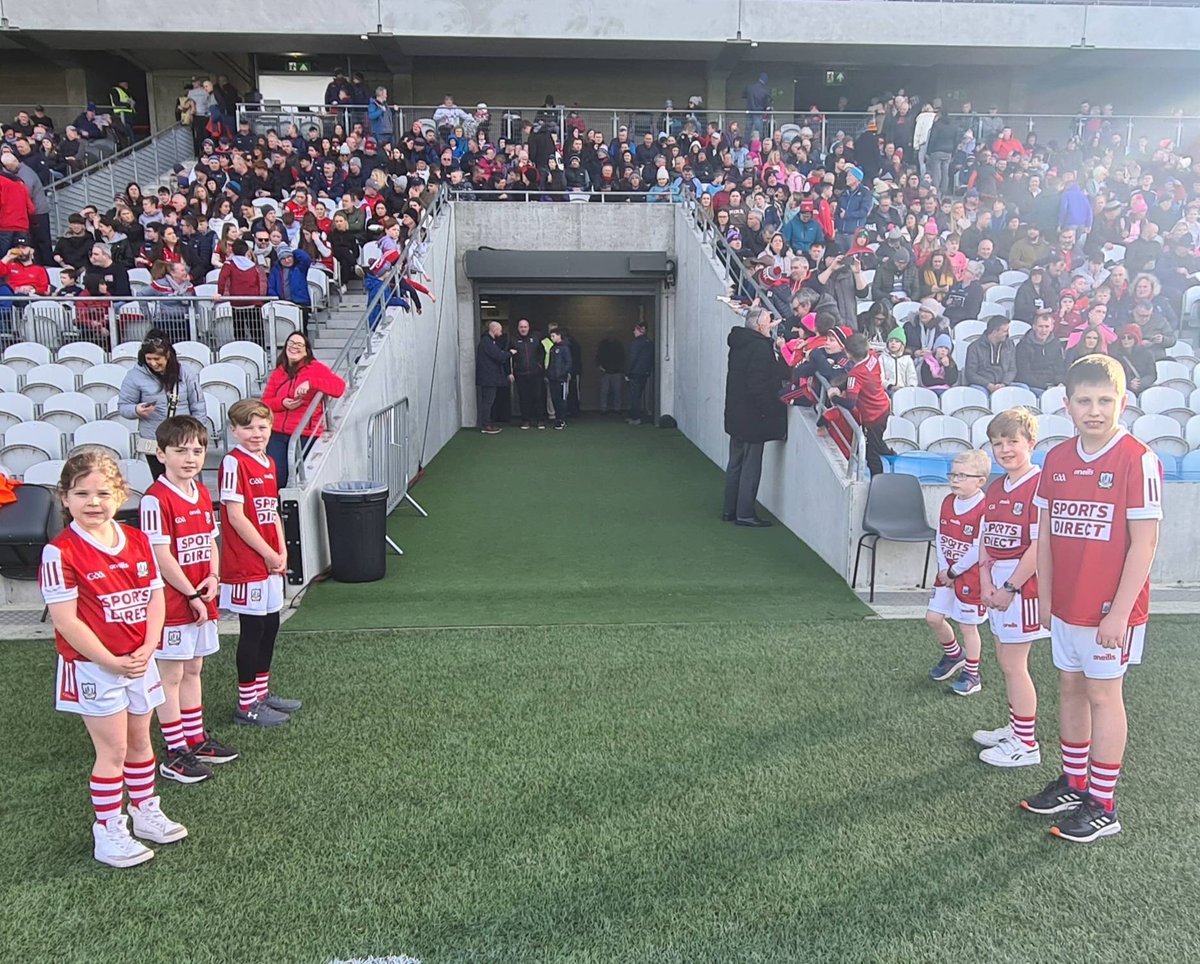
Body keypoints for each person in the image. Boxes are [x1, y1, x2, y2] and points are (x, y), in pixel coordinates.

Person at [1020, 355, 1162, 843]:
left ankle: (1104, 803)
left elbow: (1144, 542)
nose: (1095, 410)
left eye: (1105, 401)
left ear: (1122, 402)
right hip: (1067, 606)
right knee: (1070, 688)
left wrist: (1120, 612)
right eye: (1085, 401)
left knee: (1104, 695)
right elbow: (1045, 535)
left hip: (1110, 612)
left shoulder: (1137, 458)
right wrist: (1048, 597)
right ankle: (1074, 783)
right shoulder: (1056, 459)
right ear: (1067, 405)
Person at [39, 449, 188, 868]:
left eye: (103, 493)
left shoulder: (138, 540)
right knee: (114, 750)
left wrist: (148, 644)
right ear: (64, 498)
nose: (93, 502)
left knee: (141, 740)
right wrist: (109, 659)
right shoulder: (60, 552)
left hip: (139, 661)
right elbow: (67, 622)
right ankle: (108, 830)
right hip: (94, 666)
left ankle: (145, 811)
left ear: (120, 495)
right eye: (81, 493)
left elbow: (155, 597)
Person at [140, 416, 238, 785]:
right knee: (172, 673)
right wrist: (192, 593)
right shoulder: (155, 499)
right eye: (180, 451)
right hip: (173, 601)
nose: (190, 458)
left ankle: (195, 738)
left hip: (202, 594)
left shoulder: (201, 491)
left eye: (197, 451)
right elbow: (161, 557)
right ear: (162, 454)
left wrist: (213, 577)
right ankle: (175, 749)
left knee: (194, 668)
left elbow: (211, 541)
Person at [974, 409, 1049, 768]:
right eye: (997, 443)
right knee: (1006, 661)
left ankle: (1026, 744)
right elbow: (985, 539)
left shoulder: (1039, 485)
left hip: (1024, 587)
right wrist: (986, 581)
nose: (1004, 449)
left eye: (1013, 441)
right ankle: (1015, 728)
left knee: (1014, 663)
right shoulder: (995, 486)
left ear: (1031, 443)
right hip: (999, 582)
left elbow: (1039, 547)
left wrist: (1009, 587)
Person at [220, 398, 298, 727]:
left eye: (262, 427)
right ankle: (246, 704)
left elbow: (272, 512)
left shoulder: (268, 462)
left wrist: (280, 550)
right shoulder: (233, 463)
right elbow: (236, 517)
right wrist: (266, 553)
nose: (256, 433)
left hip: (269, 560)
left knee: (270, 624)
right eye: (248, 427)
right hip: (247, 561)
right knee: (252, 629)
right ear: (234, 431)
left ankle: (261, 693)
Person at [927, 448, 991, 696]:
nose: (955, 480)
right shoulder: (947, 501)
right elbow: (941, 536)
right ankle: (954, 655)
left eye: (962, 476)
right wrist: (944, 569)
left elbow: (978, 548)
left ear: (980, 481)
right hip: (947, 573)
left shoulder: (985, 507)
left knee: (968, 626)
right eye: (952, 474)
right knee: (933, 618)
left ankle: (972, 674)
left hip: (970, 577)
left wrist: (954, 572)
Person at [722, 306, 790, 527]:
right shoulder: (760, 348)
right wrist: (770, 408)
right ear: (761, 325)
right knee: (751, 466)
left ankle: (729, 510)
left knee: (735, 463)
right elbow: (758, 384)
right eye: (769, 321)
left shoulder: (739, 343)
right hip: (753, 416)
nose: (772, 325)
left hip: (736, 413)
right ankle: (745, 514)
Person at [117, 331, 206, 480]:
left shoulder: (185, 373)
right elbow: (123, 406)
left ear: (168, 356)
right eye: (149, 359)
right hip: (153, 439)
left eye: (157, 359)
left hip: (183, 437)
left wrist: (198, 432)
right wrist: (136, 410)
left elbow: (198, 404)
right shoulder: (134, 376)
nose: (153, 363)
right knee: (161, 480)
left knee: (184, 478)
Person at [262, 332, 347, 488]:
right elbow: (265, 403)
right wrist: (282, 403)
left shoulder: (316, 368)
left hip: (305, 434)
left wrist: (311, 383)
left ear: (306, 350)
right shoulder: (278, 372)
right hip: (277, 433)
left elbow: (339, 387)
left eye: (299, 345)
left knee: (304, 480)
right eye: (291, 343)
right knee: (277, 478)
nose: (294, 347)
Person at [829, 334, 894, 476]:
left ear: (848, 353)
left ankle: (878, 480)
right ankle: (890, 453)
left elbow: (851, 402)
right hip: (883, 406)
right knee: (877, 439)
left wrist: (835, 397)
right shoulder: (872, 357)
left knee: (871, 454)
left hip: (873, 416)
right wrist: (841, 388)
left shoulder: (855, 374)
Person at [1014, 311, 1066, 395]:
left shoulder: (1056, 344)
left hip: (1053, 385)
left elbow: (1059, 368)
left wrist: (1059, 382)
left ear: (1052, 327)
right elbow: (1023, 374)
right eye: (1040, 326)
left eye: (1046, 326)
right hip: (1033, 387)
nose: (1043, 330)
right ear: (1034, 327)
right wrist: (1044, 386)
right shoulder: (1023, 346)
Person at [266, 245, 312, 334]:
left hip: (300, 303)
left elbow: (306, 258)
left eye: (289, 257)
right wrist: (277, 300)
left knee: (302, 329)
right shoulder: (275, 270)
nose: (287, 260)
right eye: (283, 258)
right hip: (283, 303)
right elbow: (271, 287)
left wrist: (293, 251)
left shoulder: (300, 268)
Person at [964, 314, 1017, 393]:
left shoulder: (1009, 345)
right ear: (995, 332)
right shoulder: (974, 347)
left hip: (1004, 384)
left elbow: (1012, 369)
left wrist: (1004, 383)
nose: (1008, 334)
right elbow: (970, 373)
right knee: (978, 392)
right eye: (1005, 331)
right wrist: (988, 385)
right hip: (982, 385)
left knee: (1023, 388)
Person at [475, 321, 511, 435]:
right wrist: (510, 353)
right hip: (488, 378)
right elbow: (498, 356)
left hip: (488, 377)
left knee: (488, 401)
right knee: (487, 402)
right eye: (499, 330)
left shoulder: (488, 342)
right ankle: (485, 425)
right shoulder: (487, 342)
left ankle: (487, 423)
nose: (501, 333)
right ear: (494, 330)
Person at [510, 319, 547, 429]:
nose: (523, 329)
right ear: (518, 328)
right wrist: (512, 370)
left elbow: (542, 352)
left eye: (525, 327)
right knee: (523, 398)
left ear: (528, 328)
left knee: (538, 396)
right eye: (521, 327)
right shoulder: (513, 340)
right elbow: (509, 356)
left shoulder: (535, 339)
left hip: (536, 373)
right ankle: (525, 420)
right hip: (520, 374)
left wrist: (539, 365)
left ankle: (540, 420)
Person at [1109, 323, 1157, 393]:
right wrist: (1129, 383)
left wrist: (1140, 383)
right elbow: (1113, 375)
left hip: (1142, 389)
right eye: (1123, 337)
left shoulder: (1147, 354)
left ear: (1136, 339)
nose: (1126, 340)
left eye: (1129, 337)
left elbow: (1152, 375)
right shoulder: (1115, 354)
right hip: (1123, 389)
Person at [625, 321, 654, 425]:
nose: (634, 331)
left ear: (640, 330)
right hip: (644, 373)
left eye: (635, 329)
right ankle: (634, 416)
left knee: (634, 396)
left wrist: (628, 373)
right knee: (638, 395)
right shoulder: (649, 343)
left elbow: (632, 358)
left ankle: (635, 417)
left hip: (635, 373)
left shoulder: (636, 343)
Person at [546, 326, 573, 430]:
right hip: (552, 379)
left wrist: (561, 374)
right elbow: (550, 363)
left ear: (559, 336)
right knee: (554, 400)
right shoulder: (553, 348)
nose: (551, 338)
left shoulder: (565, 348)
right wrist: (548, 374)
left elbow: (568, 363)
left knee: (561, 400)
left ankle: (562, 420)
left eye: (553, 336)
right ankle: (558, 419)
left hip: (561, 379)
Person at [879, 326, 917, 391]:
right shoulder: (882, 358)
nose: (893, 343)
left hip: (904, 390)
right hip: (888, 389)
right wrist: (890, 386)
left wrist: (911, 387)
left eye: (897, 341)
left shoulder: (907, 359)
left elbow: (912, 376)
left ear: (902, 345)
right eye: (891, 341)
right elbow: (880, 377)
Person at [596, 332, 624, 417]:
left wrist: (621, 368)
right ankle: (603, 408)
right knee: (604, 391)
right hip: (606, 371)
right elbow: (598, 356)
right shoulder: (603, 345)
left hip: (616, 371)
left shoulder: (618, 345)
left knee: (617, 391)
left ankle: (617, 408)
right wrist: (599, 366)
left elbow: (622, 357)